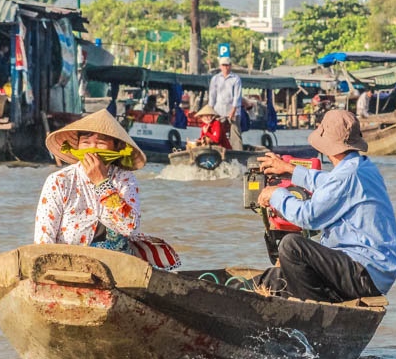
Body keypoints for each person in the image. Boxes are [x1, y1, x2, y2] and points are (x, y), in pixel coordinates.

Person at [253, 109, 396, 303]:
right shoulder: (361, 166)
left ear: (327, 146)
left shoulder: (348, 175)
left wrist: (276, 194)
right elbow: (329, 182)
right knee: (273, 279)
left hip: (364, 273)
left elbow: (308, 218)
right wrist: (289, 169)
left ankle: (316, 311)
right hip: (371, 271)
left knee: (291, 247)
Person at [34, 109, 180, 269]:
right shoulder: (59, 181)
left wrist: (102, 183)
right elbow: (43, 241)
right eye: (86, 142)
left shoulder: (124, 179)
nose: (92, 149)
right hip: (68, 268)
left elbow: (129, 229)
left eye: (101, 143)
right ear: (77, 146)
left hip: (116, 269)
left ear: (116, 148)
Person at [209, 56, 243, 150]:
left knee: (235, 133)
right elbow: (212, 96)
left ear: (230, 66)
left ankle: (238, 153)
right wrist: (210, 111)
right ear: (220, 66)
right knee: (218, 132)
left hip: (233, 111)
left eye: (227, 65)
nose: (225, 67)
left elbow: (237, 97)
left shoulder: (236, 79)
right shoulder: (215, 79)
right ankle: (217, 150)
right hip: (218, 110)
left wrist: (232, 111)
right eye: (224, 65)